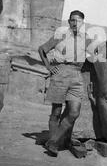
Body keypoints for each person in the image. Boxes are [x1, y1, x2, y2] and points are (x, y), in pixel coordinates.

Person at [38, 10, 91, 157]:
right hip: (60, 73)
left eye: (78, 21)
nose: (75, 23)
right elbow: (42, 49)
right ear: (69, 22)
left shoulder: (85, 38)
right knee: (56, 111)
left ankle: (53, 141)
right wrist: (49, 67)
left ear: (82, 23)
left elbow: (99, 51)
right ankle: (53, 143)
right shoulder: (61, 34)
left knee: (74, 112)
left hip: (76, 75)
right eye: (73, 20)